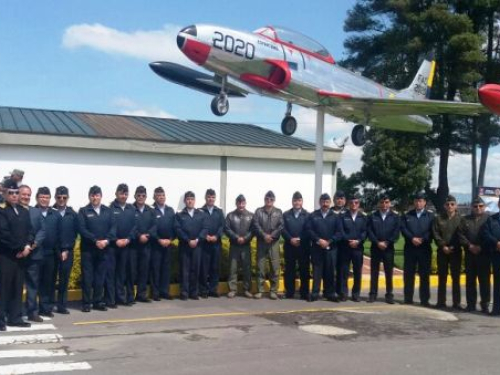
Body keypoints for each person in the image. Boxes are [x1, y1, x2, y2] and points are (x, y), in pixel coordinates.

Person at [0, 179, 33, 329]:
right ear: (5, 193)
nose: (14, 195)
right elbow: (4, 234)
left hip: (21, 256)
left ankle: (15, 317)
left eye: (16, 193)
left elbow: (30, 232)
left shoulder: (24, 211)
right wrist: (20, 248)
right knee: (3, 288)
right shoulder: (2, 211)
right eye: (10, 193)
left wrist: (27, 246)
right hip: (6, 256)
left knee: (17, 287)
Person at [78, 185, 116, 312]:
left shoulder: (107, 210)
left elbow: (113, 228)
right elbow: (82, 229)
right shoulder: (83, 211)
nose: (95, 197)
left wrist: (106, 241)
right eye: (93, 195)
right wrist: (95, 241)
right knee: (88, 277)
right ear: (89, 196)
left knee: (101, 276)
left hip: (104, 249)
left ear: (101, 196)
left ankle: (98, 301)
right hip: (88, 250)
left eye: (97, 195)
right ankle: (86, 303)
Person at [307, 193, 342, 302]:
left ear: (330, 202)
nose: (325, 204)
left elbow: (339, 232)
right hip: (317, 248)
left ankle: (329, 293)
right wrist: (318, 240)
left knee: (330, 271)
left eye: (327, 202)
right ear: (319, 202)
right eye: (323, 201)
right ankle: (315, 293)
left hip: (331, 248)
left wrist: (329, 241)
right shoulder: (313, 215)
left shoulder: (335, 216)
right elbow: (309, 230)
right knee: (317, 271)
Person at [401, 192, 434, 307]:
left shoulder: (430, 216)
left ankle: (424, 300)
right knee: (408, 274)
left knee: (424, 275)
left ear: (425, 202)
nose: (418, 203)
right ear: (414, 202)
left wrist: (422, 239)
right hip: (410, 248)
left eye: (420, 201)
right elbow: (403, 229)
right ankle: (408, 298)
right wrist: (412, 238)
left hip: (424, 249)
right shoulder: (407, 215)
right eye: (416, 201)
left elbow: (431, 231)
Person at [19, 185, 46, 322]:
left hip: (33, 254)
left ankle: (32, 312)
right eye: (23, 194)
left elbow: (42, 230)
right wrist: (22, 247)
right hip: (16, 255)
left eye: (28, 195)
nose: (26, 197)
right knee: (14, 284)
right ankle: (13, 311)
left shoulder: (36, 212)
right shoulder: (12, 210)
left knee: (32, 285)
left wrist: (33, 245)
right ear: (18, 194)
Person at [367, 194, 400, 304]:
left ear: (390, 203)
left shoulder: (395, 217)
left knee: (388, 272)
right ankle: (372, 294)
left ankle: (389, 295)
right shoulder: (373, 216)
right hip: (375, 247)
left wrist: (386, 242)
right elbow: (369, 231)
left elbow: (396, 233)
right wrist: (377, 242)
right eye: (382, 202)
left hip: (388, 248)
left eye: (386, 202)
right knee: (374, 272)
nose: (384, 205)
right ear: (379, 204)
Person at [459, 197, 490, 313]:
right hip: (470, 254)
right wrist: (469, 246)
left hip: (484, 254)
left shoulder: (489, 219)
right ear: (472, 207)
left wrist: (481, 247)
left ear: (484, 207)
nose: (478, 208)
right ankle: (471, 304)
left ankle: (485, 304)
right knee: (470, 280)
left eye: (481, 206)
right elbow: (460, 234)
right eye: (475, 206)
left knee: (484, 281)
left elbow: (491, 235)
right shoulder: (465, 220)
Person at [175, 191, 207, 300]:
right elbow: (178, 229)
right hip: (185, 246)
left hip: (197, 246)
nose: (190, 201)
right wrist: (188, 240)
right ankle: (184, 293)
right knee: (184, 270)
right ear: (184, 201)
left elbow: (204, 229)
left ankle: (194, 293)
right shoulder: (180, 214)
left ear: (195, 201)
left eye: (192, 199)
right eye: (188, 199)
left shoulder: (200, 214)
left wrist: (197, 240)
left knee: (195, 269)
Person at [432, 195, 463, 310]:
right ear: (444, 206)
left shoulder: (461, 219)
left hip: (456, 251)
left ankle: (457, 303)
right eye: (447, 204)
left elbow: (462, 235)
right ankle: (441, 302)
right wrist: (443, 246)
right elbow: (435, 233)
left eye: (452, 204)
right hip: (442, 251)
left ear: (456, 205)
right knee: (442, 277)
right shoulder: (438, 218)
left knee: (456, 278)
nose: (450, 206)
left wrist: (453, 246)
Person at [35, 187, 62, 317]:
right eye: (42, 197)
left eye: (47, 197)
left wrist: (61, 250)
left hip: (50, 254)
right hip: (34, 253)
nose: (44, 200)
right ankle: (33, 309)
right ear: (37, 198)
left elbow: (59, 234)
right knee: (34, 282)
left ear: (50, 199)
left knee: (48, 282)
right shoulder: (31, 212)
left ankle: (45, 308)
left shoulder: (55, 214)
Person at [252, 191, 284, 300]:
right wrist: (264, 235)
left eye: (271, 199)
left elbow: (281, 226)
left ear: (274, 200)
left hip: (273, 242)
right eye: (267, 199)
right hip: (262, 241)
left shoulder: (278, 212)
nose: (269, 201)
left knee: (275, 267)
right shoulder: (258, 211)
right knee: (260, 267)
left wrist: (272, 236)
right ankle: (260, 290)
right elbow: (255, 225)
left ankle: (273, 291)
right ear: (264, 199)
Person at [110, 184, 136, 307]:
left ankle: (129, 297)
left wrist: (128, 239)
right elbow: (110, 226)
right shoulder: (111, 208)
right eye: (121, 193)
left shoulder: (131, 208)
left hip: (128, 244)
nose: (123, 196)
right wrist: (116, 240)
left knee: (128, 272)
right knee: (116, 272)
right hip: (115, 246)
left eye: (125, 194)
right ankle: (117, 297)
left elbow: (135, 226)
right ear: (116, 194)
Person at [53, 186, 78, 314]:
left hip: (67, 251)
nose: (61, 199)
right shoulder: (50, 211)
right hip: (52, 251)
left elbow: (75, 234)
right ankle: (47, 305)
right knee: (50, 279)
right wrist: (58, 250)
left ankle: (62, 305)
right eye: (59, 197)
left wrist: (67, 249)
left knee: (64, 279)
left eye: (64, 197)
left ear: (67, 198)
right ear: (55, 197)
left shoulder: (72, 214)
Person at [339, 193, 368, 302]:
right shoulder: (342, 216)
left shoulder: (363, 217)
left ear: (359, 204)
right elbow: (341, 230)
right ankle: (343, 293)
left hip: (358, 248)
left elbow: (365, 231)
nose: (353, 204)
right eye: (351, 202)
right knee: (344, 272)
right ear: (348, 204)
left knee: (357, 272)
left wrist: (358, 241)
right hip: (345, 248)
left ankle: (356, 294)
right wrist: (348, 240)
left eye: (356, 202)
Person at [282, 191, 310, 300]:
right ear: (292, 202)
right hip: (289, 246)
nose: (297, 202)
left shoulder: (308, 215)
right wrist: (290, 239)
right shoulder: (286, 214)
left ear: (302, 201)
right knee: (289, 270)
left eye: (299, 200)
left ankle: (304, 293)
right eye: (295, 200)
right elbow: (282, 229)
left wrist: (300, 239)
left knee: (304, 270)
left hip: (303, 247)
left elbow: (309, 230)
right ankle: (289, 292)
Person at [225, 195, 254, 298]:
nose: (241, 205)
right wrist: (237, 237)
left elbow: (252, 230)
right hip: (234, 245)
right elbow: (227, 229)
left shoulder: (251, 216)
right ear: (236, 203)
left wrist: (245, 238)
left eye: (243, 203)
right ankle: (232, 289)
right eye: (239, 202)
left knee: (247, 268)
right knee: (233, 268)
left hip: (246, 245)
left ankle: (247, 289)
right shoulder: (230, 216)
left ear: (245, 203)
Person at [150, 186, 176, 301]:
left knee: (166, 269)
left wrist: (170, 239)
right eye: (158, 196)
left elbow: (175, 226)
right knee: (155, 269)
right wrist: (159, 239)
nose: (161, 197)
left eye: (163, 195)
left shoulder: (170, 210)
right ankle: (155, 292)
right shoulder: (151, 210)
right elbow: (150, 227)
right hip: (156, 244)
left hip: (168, 244)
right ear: (154, 197)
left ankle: (164, 291)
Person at [199, 189, 225, 298]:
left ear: (215, 198)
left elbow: (222, 226)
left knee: (215, 267)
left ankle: (213, 289)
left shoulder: (219, 211)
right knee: (204, 268)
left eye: (213, 197)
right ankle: (203, 290)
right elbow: (198, 226)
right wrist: (205, 236)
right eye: (209, 197)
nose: (211, 199)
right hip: (204, 244)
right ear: (205, 198)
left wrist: (216, 236)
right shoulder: (200, 211)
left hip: (216, 243)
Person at [133, 186, 155, 303]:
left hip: (146, 244)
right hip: (133, 245)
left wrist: (147, 235)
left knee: (144, 270)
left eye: (143, 195)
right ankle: (130, 295)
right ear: (135, 196)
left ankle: (141, 294)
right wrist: (138, 236)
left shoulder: (150, 210)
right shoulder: (130, 209)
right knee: (132, 270)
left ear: (146, 197)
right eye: (139, 195)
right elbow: (130, 225)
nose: (141, 197)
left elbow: (154, 226)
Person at [482, 198, 500, 315]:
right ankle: (497, 309)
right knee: (498, 283)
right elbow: (486, 233)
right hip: (496, 254)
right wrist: (496, 243)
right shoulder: (492, 219)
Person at [332, 190, 347, 298]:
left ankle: (342, 292)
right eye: (337, 198)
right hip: (332, 244)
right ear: (334, 200)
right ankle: (331, 291)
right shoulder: (329, 211)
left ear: (345, 200)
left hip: (344, 245)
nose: (339, 201)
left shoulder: (348, 212)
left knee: (343, 270)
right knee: (331, 269)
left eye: (341, 198)